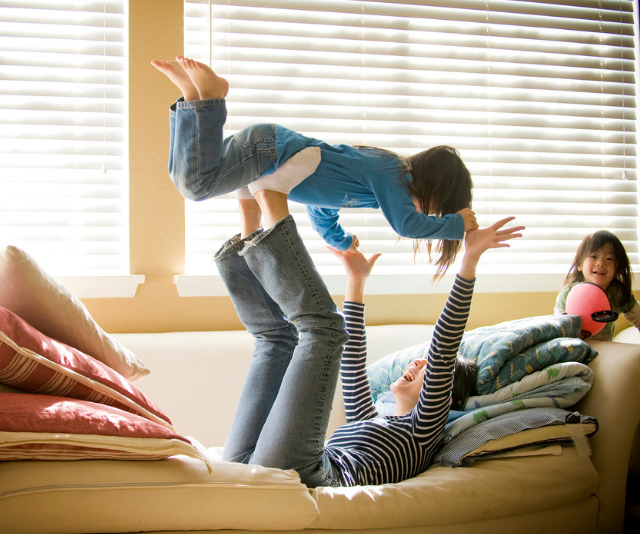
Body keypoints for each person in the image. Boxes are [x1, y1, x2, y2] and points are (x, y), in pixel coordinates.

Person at [215, 201, 523, 488]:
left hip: (307, 474)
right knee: (275, 339)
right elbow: (351, 364)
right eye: (421, 359)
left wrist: (469, 259)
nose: (417, 362)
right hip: (262, 465)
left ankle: (270, 213)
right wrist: (356, 281)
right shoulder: (373, 416)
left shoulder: (423, 432)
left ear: (447, 392)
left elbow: (444, 346)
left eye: (427, 365)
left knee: (321, 328)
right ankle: (250, 218)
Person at [151, 56, 479, 276]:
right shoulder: (393, 173)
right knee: (197, 184)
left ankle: (192, 98)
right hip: (270, 152)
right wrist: (453, 225)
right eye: (435, 208)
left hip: (268, 149)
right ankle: (210, 97)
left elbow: (322, 208)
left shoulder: (370, 181)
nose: (425, 213)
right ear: (434, 184)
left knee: (189, 171)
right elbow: (406, 225)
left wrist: (341, 241)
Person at [554, 230, 640, 341]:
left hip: (605, 351)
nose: (600, 263)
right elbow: (558, 326)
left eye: (609, 259)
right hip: (574, 349)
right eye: (594, 256)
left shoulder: (618, 293)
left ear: (618, 269)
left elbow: (638, 317)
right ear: (580, 264)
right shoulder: (569, 293)